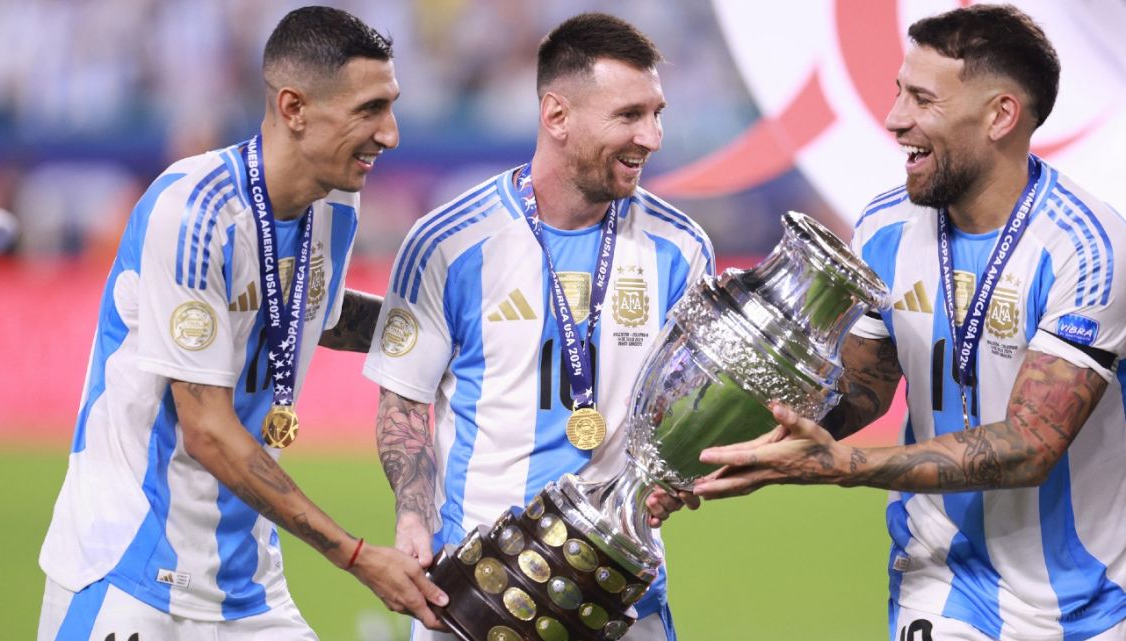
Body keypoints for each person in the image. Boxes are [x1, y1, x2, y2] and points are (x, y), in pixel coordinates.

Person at [694, 5, 1126, 640]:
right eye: (899, 91)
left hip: (1087, 605)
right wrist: (755, 435)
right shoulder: (884, 228)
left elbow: (1032, 445)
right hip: (940, 584)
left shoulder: (1089, 250)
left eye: (921, 99)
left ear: (1000, 116)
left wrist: (845, 467)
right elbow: (865, 389)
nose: (895, 119)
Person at [36, 7, 448, 640]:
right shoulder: (193, 212)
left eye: (390, 107)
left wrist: (455, 327)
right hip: (129, 574)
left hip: (246, 585)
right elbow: (205, 429)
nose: (389, 134)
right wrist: (358, 557)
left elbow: (321, 316)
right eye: (369, 109)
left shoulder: (335, 203)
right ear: (293, 107)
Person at [363, 12, 713, 641]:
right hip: (473, 593)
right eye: (629, 115)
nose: (652, 136)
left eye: (657, 112)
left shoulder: (681, 249)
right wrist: (413, 518)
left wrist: (678, 472)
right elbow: (406, 402)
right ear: (556, 115)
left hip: (622, 596)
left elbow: (690, 405)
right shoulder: (449, 242)